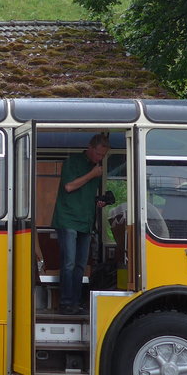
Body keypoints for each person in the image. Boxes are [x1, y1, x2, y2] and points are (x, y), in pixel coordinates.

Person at [51, 133, 110, 314]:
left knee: (80, 265)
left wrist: (100, 201)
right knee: (68, 263)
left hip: (85, 221)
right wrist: (92, 174)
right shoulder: (73, 162)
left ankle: (76, 302)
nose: (100, 158)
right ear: (90, 148)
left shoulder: (97, 168)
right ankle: (65, 303)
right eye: (98, 154)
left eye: (103, 156)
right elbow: (69, 187)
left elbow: (86, 193)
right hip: (68, 219)